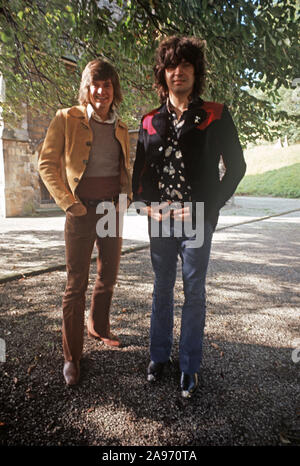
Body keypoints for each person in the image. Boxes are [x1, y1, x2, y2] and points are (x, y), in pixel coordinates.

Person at [132, 36, 246, 398]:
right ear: (162, 74)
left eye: (185, 65)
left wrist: (207, 206)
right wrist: (143, 205)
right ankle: (158, 356)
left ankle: (190, 366)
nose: (177, 72)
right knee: (161, 287)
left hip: (197, 220)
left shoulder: (215, 113)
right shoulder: (150, 120)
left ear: (196, 71)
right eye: (170, 66)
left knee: (194, 291)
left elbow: (237, 167)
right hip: (161, 221)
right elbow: (139, 173)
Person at [38, 59, 131, 386]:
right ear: (86, 88)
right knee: (76, 285)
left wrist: (125, 198)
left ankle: (99, 327)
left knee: (108, 275)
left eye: (107, 85)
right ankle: (72, 357)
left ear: (113, 89)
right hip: (80, 211)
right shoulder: (67, 118)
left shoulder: (121, 127)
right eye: (95, 85)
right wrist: (69, 203)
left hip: (111, 212)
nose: (101, 91)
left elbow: (125, 169)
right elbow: (46, 164)